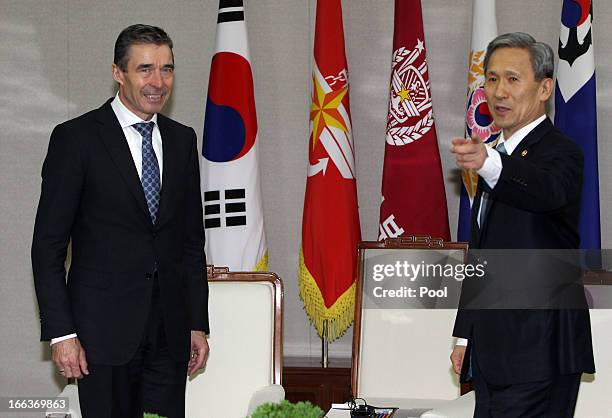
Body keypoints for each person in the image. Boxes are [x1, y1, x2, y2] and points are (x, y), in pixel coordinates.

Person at [31, 24, 209, 418]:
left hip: (169, 336)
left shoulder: (182, 140)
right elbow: (47, 247)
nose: (158, 82)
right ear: (118, 72)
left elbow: (190, 243)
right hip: (101, 337)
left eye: (167, 69)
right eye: (145, 69)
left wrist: (197, 323)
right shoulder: (76, 139)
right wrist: (62, 334)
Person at [450, 32, 594, 417]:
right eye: (492, 79)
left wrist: (488, 164)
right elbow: (481, 257)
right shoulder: (495, 155)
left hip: (540, 351)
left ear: (545, 87)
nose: (499, 92)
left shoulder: (561, 152)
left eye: (513, 79)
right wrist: (465, 333)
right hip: (493, 353)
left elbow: (544, 191)